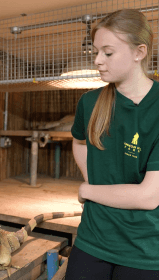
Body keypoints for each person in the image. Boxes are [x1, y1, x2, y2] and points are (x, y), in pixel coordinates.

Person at [66, 9, 159, 279]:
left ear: (139, 52)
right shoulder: (90, 102)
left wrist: (88, 190)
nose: (97, 60)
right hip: (92, 239)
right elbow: (80, 142)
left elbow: (149, 196)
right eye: (95, 52)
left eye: (107, 53)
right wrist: (91, 179)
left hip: (143, 248)